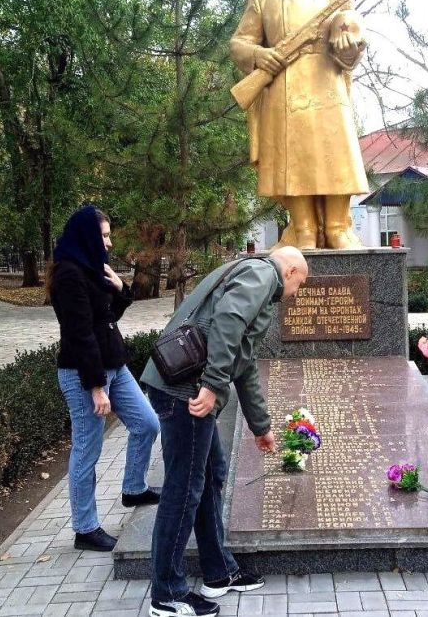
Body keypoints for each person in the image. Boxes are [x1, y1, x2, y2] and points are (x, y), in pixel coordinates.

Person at [141, 246, 309, 617]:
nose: (296, 294)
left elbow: (243, 362)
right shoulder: (264, 275)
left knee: (211, 473)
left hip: (186, 387)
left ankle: (218, 573)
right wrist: (213, 384)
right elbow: (228, 321)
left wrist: (260, 425)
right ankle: (167, 594)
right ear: (292, 270)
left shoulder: (252, 275)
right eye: (301, 284)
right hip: (186, 392)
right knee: (183, 490)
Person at [230, 0, 368, 250]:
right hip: (284, 88)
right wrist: (260, 55)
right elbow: (238, 43)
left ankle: (337, 226)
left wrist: (348, 38)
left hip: (328, 88)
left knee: (335, 154)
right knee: (294, 159)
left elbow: (350, 26)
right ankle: (303, 226)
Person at [49, 205, 160, 552]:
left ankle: (133, 488)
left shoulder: (92, 268)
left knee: (147, 423)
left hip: (115, 365)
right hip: (85, 374)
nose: (110, 243)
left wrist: (119, 286)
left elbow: (109, 316)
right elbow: (80, 333)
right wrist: (96, 386)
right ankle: (85, 528)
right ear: (86, 236)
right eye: (104, 235)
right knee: (87, 450)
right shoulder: (69, 274)